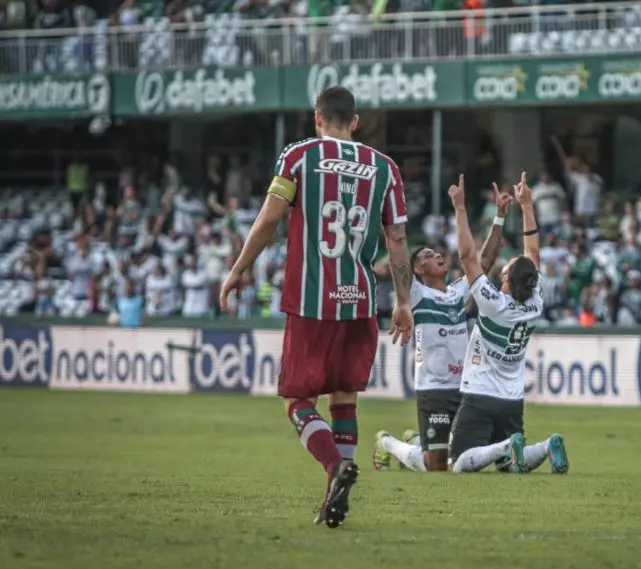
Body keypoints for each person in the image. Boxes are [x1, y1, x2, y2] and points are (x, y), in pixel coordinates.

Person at [219, 86, 414, 529]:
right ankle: (333, 499)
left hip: (312, 301)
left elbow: (270, 218)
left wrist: (238, 269)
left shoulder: (299, 156)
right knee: (344, 399)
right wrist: (404, 301)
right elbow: (397, 239)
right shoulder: (386, 169)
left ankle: (333, 468)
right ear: (356, 121)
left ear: (317, 118)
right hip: (361, 301)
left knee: (296, 399)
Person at [373, 184, 511, 472]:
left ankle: (416, 442)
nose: (436, 255)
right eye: (426, 256)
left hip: (464, 387)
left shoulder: (458, 292)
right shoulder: (416, 295)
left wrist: (499, 216)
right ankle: (387, 443)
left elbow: (483, 261)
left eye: (436, 252)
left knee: (460, 461)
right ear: (419, 271)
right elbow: (395, 262)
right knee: (436, 466)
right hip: (433, 389)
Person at [448, 172, 568, 474]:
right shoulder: (535, 302)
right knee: (509, 466)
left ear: (505, 280)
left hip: (480, 392)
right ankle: (547, 445)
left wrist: (460, 209)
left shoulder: (493, 303)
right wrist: (527, 206)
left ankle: (505, 446)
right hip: (512, 398)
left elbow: (467, 256)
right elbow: (533, 254)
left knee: (458, 463)